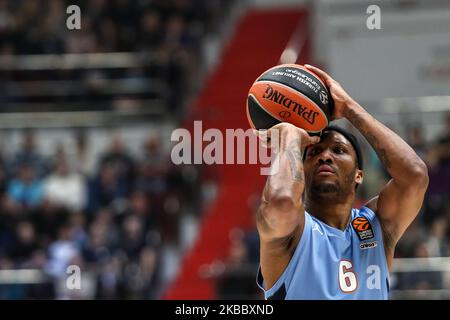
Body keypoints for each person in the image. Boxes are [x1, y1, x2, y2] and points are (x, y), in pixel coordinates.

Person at [255, 64, 429, 300]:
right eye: (314, 152)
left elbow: (415, 175)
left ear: (359, 174)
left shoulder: (376, 224)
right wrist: (291, 137)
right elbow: (281, 202)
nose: (325, 156)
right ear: (301, 171)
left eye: (338, 150)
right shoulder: (294, 231)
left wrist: (349, 108)